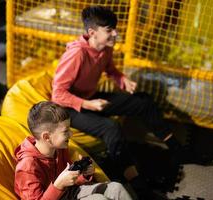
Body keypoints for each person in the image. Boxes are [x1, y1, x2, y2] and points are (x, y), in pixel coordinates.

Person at [52, 5, 182, 198]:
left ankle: (176, 148)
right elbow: (57, 93)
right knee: (111, 128)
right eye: (109, 30)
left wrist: (123, 80)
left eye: (115, 28)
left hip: (91, 98)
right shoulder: (77, 54)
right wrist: (89, 105)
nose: (116, 33)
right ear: (92, 32)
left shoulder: (105, 48)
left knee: (143, 101)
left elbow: (111, 70)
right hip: (69, 108)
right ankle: (136, 184)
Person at [14, 101, 132, 200]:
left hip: (70, 193)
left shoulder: (59, 148)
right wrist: (58, 185)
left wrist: (84, 175)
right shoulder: (27, 167)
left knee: (116, 189)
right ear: (46, 137)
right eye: (66, 131)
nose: (71, 134)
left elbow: (71, 183)